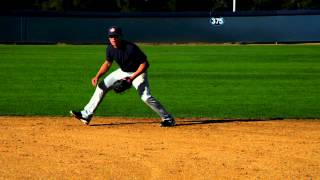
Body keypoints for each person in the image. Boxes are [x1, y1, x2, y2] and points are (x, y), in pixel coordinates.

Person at [70, 26, 175, 127]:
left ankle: (168, 118)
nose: (113, 39)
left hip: (137, 72)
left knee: (146, 97)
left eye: (115, 36)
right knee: (101, 86)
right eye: (111, 36)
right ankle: (86, 114)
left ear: (120, 36)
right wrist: (97, 76)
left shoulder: (130, 48)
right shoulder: (110, 48)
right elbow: (107, 63)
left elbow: (145, 64)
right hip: (123, 71)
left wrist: (131, 78)